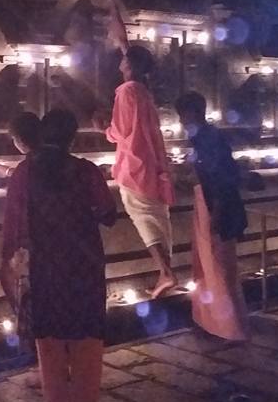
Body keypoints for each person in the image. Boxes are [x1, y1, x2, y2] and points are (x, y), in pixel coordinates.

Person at [2, 109, 116, 402]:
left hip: (45, 267)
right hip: (84, 266)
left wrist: (10, 264)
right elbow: (108, 213)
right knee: (86, 340)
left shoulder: (24, 173)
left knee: (49, 341)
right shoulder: (87, 171)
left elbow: (12, 223)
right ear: (72, 138)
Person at [175, 92, 250, 341]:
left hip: (217, 207)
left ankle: (230, 326)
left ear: (194, 113)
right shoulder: (205, 138)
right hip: (211, 204)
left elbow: (219, 178)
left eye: (182, 116)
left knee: (219, 266)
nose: (181, 122)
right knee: (212, 264)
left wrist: (216, 213)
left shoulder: (208, 139)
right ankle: (216, 321)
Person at [106, 45, 176, 298]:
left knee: (143, 218)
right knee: (158, 218)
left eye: (124, 60)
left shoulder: (126, 92)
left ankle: (165, 271)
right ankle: (164, 275)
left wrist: (105, 129)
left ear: (131, 66)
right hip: (153, 163)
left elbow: (121, 130)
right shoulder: (145, 92)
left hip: (135, 165)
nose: (119, 64)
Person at [0, 112, 41, 336]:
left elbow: (13, 218)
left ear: (20, 142)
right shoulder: (74, 167)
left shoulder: (23, 173)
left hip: (32, 251)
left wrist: (8, 255)